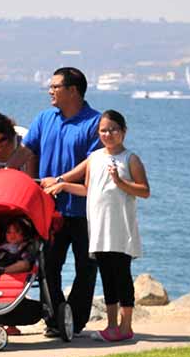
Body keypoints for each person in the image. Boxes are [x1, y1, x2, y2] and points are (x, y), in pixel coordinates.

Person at [46, 110, 150, 342]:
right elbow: (87, 189)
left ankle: (126, 326)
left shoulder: (130, 159)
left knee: (122, 275)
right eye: (104, 130)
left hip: (120, 229)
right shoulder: (94, 158)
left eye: (113, 129)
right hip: (99, 229)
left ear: (124, 131)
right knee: (106, 277)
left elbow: (144, 191)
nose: (108, 134)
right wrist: (63, 186)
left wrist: (120, 182)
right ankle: (111, 325)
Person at [22, 67, 101, 337]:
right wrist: (28, 182)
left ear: (73, 91)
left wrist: (59, 179)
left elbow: (93, 162)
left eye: (55, 86)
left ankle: (75, 321)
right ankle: (55, 319)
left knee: (86, 267)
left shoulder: (95, 122)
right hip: (48, 212)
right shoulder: (45, 118)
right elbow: (28, 151)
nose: (50, 91)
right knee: (47, 266)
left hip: (84, 210)